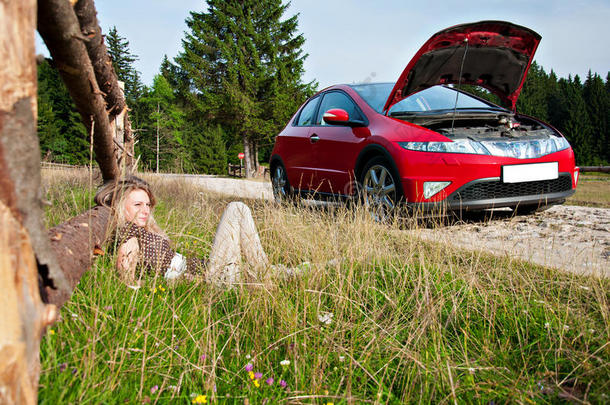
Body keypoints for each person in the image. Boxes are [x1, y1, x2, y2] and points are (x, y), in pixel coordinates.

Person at [95, 176, 293, 287]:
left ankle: (276, 273)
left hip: (207, 268)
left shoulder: (141, 230)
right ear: (121, 205)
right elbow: (129, 283)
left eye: (147, 204)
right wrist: (190, 281)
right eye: (137, 204)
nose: (145, 210)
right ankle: (267, 274)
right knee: (237, 208)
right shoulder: (128, 234)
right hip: (209, 277)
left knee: (271, 272)